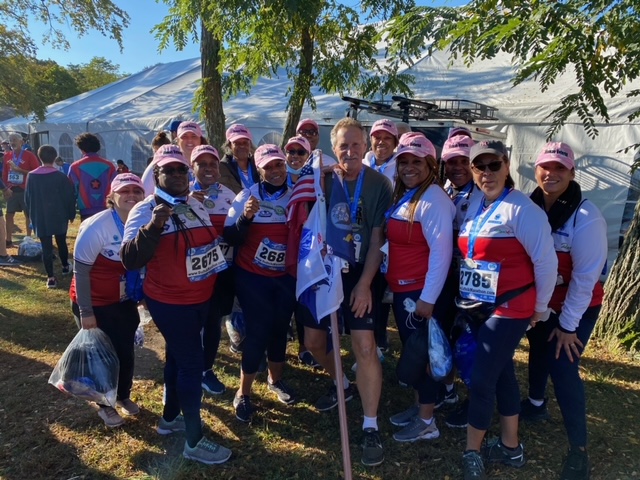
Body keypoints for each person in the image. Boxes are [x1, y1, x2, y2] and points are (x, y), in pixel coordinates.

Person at [121, 148, 232, 465]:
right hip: (171, 302)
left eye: (182, 170)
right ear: (156, 176)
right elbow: (129, 258)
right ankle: (194, 442)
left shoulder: (195, 203)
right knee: (191, 365)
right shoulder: (145, 210)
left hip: (200, 299)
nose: (178, 176)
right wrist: (153, 227)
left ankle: (169, 420)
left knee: (176, 359)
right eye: (169, 171)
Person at [457, 140, 557, 480]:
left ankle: (473, 451)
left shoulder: (523, 209)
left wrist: (540, 308)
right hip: (478, 305)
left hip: (511, 307)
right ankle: (511, 447)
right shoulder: (477, 205)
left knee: (482, 379)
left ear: (507, 164)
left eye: (493, 165)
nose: (486, 173)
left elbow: (546, 262)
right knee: (501, 374)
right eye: (479, 167)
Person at [300, 118, 393, 467]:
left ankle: (370, 425)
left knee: (364, 345)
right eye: (343, 146)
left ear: (365, 145)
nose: (350, 152)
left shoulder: (379, 183)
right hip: (324, 267)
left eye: (356, 145)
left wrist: (366, 284)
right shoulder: (321, 177)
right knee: (312, 343)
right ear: (333, 146)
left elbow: (376, 240)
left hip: (359, 271)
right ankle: (343, 383)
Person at [522, 142, 607, 480]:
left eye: (560, 168)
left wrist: (568, 326)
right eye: (546, 167)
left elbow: (586, 279)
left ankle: (579, 450)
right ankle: (536, 404)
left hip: (578, 306)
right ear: (536, 170)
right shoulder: (529, 208)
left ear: (572, 173)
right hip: (541, 302)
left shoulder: (586, 217)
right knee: (538, 351)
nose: (551, 173)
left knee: (562, 362)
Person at [383, 132, 455, 442]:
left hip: (420, 296)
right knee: (415, 353)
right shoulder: (411, 195)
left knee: (424, 357)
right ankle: (419, 407)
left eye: (417, 161)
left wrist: (428, 299)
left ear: (430, 164)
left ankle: (427, 422)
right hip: (405, 293)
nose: (409, 167)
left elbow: (441, 253)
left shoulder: (434, 199)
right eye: (404, 161)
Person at [223, 144, 297, 423]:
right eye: (268, 167)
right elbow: (230, 237)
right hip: (253, 276)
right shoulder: (247, 196)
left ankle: (275, 381)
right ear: (259, 169)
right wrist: (246, 218)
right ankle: (243, 393)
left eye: (279, 165)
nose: (275, 171)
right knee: (258, 331)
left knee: (280, 329)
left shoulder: (296, 196)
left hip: (284, 277)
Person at [69, 173, 146, 427]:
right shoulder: (97, 226)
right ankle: (105, 405)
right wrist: (86, 311)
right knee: (102, 356)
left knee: (125, 352)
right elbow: (80, 271)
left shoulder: (143, 220)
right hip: (95, 303)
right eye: (124, 191)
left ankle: (123, 396)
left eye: (137, 191)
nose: (131, 196)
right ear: (111, 198)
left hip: (124, 302)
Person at [189, 144, 238, 395]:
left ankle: (205, 370)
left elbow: (237, 233)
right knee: (190, 324)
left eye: (213, 164)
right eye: (202, 164)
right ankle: (189, 369)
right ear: (192, 167)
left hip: (221, 272)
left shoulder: (229, 195)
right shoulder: (182, 193)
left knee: (213, 322)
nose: (208, 168)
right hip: (190, 275)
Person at [440, 133, 479, 429]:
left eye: (463, 161)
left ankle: (475, 400)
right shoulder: (444, 190)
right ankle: (449, 390)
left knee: (471, 339)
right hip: (446, 274)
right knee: (448, 333)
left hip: (475, 279)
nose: (457, 167)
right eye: (451, 161)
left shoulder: (484, 192)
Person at [283, 135, 320, 368]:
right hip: (281, 254)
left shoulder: (314, 180)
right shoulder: (275, 175)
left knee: (303, 303)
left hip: (304, 250)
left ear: (308, 156)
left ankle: (306, 348)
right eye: (291, 151)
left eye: (300, 152)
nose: (295, 156)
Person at [25, 145, 76, 288]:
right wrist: (71, 214)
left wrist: (30, 214)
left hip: (41, 215)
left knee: (46, 246)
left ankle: (51, 277)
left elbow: (27, 197)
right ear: (55, 157)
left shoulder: (32, 175)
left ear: (38, 156)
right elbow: (69, 198)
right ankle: (65, 266)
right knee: (61, 242)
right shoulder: (61, 176)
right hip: (59, 214)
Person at [2, 133, 40, 246]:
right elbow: (4, 173)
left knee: (27, 214)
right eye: (10, 140)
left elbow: (36, 172)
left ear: (21, 142)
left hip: (25, 189)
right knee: (9, 214)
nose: (12, 142)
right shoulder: (7, 155)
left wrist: (19, 170)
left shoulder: (29, 155)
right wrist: (5, 188)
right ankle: (8, 239)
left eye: (14, 140)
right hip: (11, 189)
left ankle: (28, 237)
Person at [68, 133, 117, 221]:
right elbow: (116, 188)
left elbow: (72, 192)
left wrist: (71, 212)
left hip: (86, 211)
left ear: (81, 149)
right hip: (107, 209)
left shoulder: (75, 167)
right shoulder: (110, 166)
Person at [219, 124, 259, 194]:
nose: (242, 146)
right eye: (237, 143)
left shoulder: (259, 165)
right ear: (229, 145)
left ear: (250, 144)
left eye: (245, 142)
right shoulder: (222, 168)